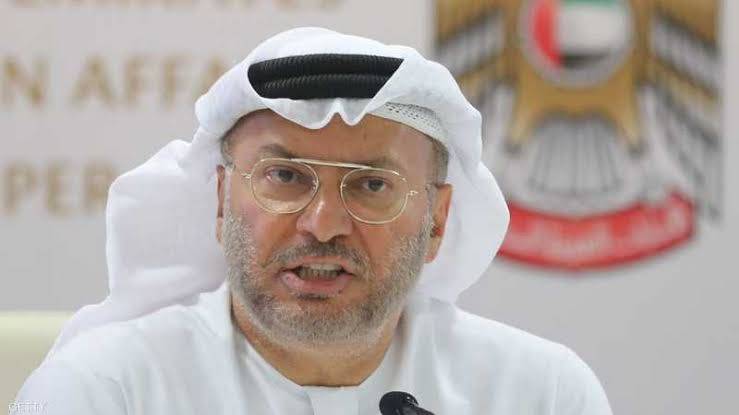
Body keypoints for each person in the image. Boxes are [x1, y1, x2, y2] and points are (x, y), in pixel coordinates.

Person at [15, 28, 612, 414]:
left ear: (436, 221)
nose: (323, 224)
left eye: (372, 185)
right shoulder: (104, 392)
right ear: (221, 201)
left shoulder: (541, 395)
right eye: (286, 177)